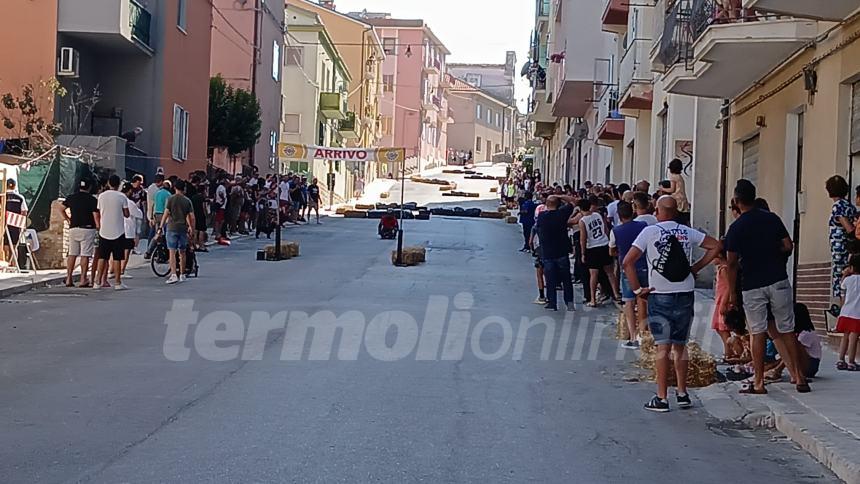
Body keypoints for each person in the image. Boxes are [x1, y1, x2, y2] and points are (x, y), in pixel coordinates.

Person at [623, 196, 722, 412]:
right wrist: (695, 268)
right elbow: (715, 245)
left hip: (660, 294)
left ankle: (661, 397)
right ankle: (682, 393)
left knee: (662, 346)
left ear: (657, 210)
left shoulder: (650, 232)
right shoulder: (686, 231)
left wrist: (639, 290)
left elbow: (627, 262)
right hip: (685, 292)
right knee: (680, 345)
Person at [725, 179, 811, 394]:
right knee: (787, 329)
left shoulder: (736, 228)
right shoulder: (771, 219)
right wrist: (778, 258)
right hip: (778, 280)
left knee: (757, 332)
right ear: (754, 197)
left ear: (736, 201)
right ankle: (799, 378)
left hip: (752, 285)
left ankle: (758, 382)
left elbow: (732, 263)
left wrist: (732, 293)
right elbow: (788, 245)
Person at [609, 201, 648, 349]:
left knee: (629, 302)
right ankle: (643, 332)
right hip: (643, 265)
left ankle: (633, 336)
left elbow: (611, 250)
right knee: (643, 299)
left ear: (619, 215)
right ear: (633, 212)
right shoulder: (643, 225)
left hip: (627, 268)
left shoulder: (616, 231)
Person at [536, 194, 577, 312]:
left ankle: (552, 302)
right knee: (566, 279)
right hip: (562, 251)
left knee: (550, 279)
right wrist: (560, 195)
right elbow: (574, 201)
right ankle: (569, 303)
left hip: (548, 252)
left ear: (547, 204)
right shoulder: (562, 214)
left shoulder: (542, 216)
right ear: (558, 204)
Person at [579, 197, 620, 307]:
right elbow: (606, 229)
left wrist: (583, 253)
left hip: (592, 248)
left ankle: (592, 299)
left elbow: (583, 238)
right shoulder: (598, 215)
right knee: (610, 272)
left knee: (593, 275)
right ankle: (616, 294)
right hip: (603, 244)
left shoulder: (582, 221)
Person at [767, 304, 822, 381]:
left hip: (810, 365)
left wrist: (778, 368)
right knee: (788, 347)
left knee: (794, 346)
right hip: (804, 362)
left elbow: (794, 352)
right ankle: (775, 369)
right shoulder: (798, 333)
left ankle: (777, 370)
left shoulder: (807, 333)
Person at [60, 180, 99, 288]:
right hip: (87, 228)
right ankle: (83, 279)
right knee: (85, 255)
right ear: (89, 187)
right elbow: (95, 215)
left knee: (72, 254)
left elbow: (61, 208)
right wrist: (98, 227)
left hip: (73, 227)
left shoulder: (71, 197)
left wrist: (68, 219)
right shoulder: (92, 200)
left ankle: (68, 278)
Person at [95, 175, 130, 290]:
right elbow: (126, 214)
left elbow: (99, 211)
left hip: (104, 230)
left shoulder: (101, 197)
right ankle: (118, 282)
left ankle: (97, 281)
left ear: (109, 183)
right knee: (117, 258)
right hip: (118, 231)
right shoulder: (122, 196)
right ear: (119, 184)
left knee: (102, 257)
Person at [158, 179, 195, 284]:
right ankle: (183, 274)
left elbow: (166, 213)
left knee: (172, 251)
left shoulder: (170, 199)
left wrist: (161, 227)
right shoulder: (187, 201)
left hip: (171, 227)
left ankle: (174, 274)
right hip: (182, 228)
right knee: (182, 251)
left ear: (174, 188)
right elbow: (191, 216)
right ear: (184, 188)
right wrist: (191, 228)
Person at [826, 175, 855, 299]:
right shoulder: (850, 206)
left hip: (841, 252)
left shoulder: (838, 207)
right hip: (848, 251)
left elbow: (848, 228)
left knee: (842, 283)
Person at [836, 254, 860, 371]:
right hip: (857, 313)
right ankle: (851, 362)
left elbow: (842, 289)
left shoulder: (847, 280)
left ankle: (841, 360)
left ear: (851, 267)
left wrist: (844, 275)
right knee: (854, 338)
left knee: (845, 336)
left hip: (846, 312)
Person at [711, 249, 732, 357]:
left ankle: (729, 352)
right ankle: (728, 351)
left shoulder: (725, 269)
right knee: (719, 328)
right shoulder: (721, 269)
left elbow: (729, 286)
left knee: (723, 329)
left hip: (724, 301)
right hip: (720, 300)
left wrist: (724, 303)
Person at [120, 182, 143, 278]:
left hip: (118, 228)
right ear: (129, 191)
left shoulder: (117, 200)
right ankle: (122, 270)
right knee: (126, 251)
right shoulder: (130, 203)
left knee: (117, 251)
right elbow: (139, 214)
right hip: (128, 229)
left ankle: (113, 270)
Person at [2, 179, 28, 265]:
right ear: (15, 186)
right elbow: (24, 211)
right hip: (15, 224)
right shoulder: (20, 198)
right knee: (14, 246)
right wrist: (22, 224)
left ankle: (6, 265)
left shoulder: (2, 197)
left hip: (3, 224)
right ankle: (14, 265)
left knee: (4, 246)